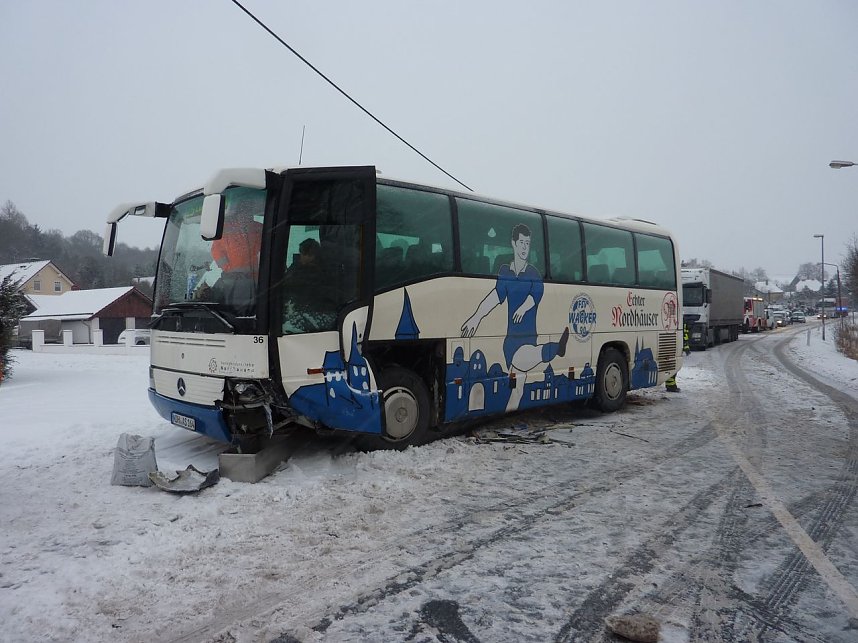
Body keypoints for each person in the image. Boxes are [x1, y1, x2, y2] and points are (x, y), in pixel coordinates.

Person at [461, 223, 569, 410]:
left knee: (518, 387)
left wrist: (523, 308)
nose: (525, 247)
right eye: (521, 243)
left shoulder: (533, 273)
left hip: (529, 336)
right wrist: (476, 317)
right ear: (513, 244)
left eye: (528, 243)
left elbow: (536, 294)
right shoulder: (506, 272)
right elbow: (494, 297)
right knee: (519, 370)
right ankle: (554, 348)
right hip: (512, 340)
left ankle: (555, 348)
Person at [665, 323, 691, 392]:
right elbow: (684, 335)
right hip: (674, 344)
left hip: (672, 343)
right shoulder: (681, 321)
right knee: (673, 365)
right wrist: (686, 346)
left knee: (672, 365)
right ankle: (671, 386)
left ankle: (671, 385)